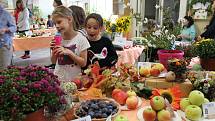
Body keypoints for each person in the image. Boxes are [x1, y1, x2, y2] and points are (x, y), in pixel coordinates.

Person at [51, 6, 90, 82]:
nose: (57, 26)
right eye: (55, 23)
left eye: (59, 22)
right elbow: (53, 61)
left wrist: (69, 53)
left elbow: (83, 63)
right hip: (58, 78)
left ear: (69, 19)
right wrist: (53, 51)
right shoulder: (57, 39)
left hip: (74, 81)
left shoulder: (81, 39)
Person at [0, 4, 16, 70]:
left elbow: (14, 28)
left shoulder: (6, 14)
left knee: (4, 69)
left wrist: (5, 29)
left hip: (4, 45)